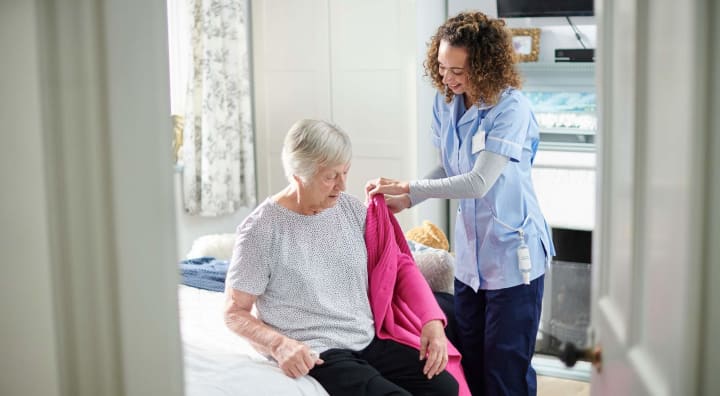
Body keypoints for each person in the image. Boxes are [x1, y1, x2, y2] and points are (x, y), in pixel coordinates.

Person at [365, 11, 556, 396]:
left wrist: (410, 185)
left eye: (458, 70)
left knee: (505, 374)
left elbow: (478, 181)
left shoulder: (510, 109)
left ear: (484, 65)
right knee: (471, 364)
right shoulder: (446, 102)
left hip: (512, 260)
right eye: (441, 67)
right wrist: (409, 196)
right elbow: (449, 166)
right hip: (471, 264)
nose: (448, 78)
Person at [223, 119, 460, 396]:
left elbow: (399, 266)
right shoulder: (261, 230)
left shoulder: (350, 210)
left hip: (367, 340)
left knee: (445, 388)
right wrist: (278, 345)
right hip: (319, 351)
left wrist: (432, 322)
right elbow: (234, 312)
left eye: (345, 172)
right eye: (330, 177)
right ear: (299, 175)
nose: (342, 185)